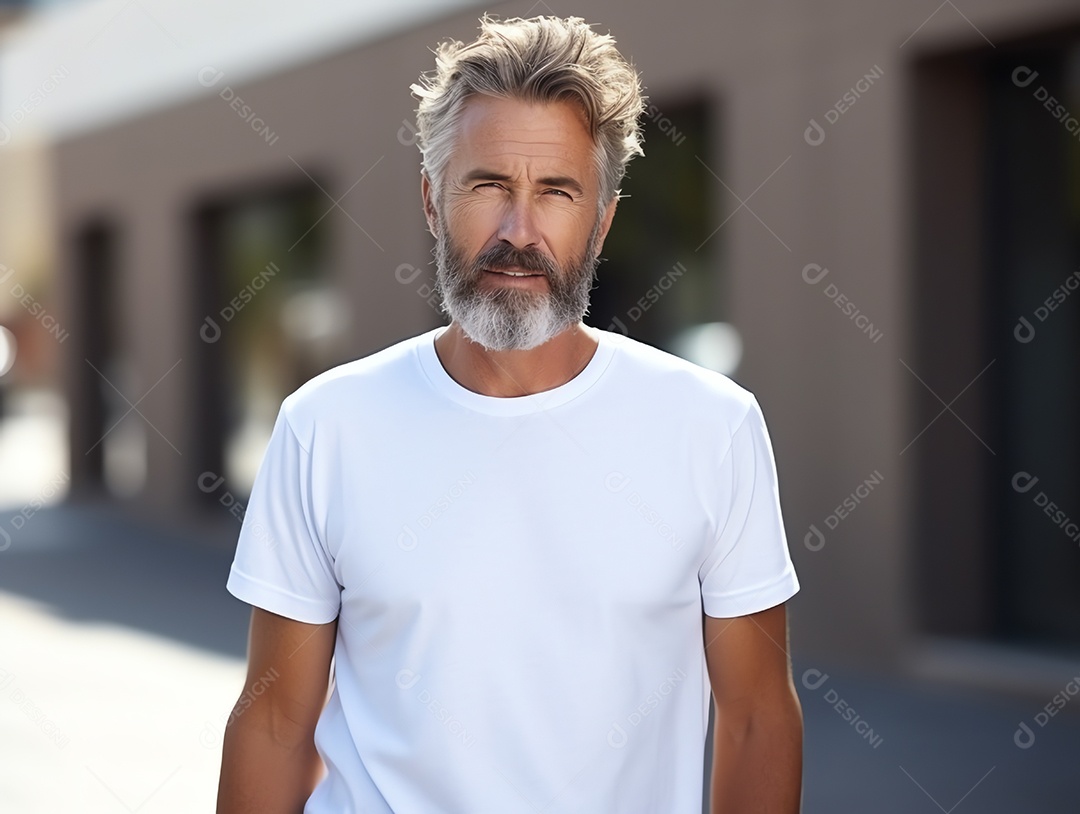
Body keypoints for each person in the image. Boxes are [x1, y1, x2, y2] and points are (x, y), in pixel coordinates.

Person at [217, 15, 802, 814]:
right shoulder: (325, 425)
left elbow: (758, 719)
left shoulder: (713, 427)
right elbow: (276, 725)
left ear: (601, 220)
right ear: (432, 200)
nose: (518, 232)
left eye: (556, 192)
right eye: (487, 185)